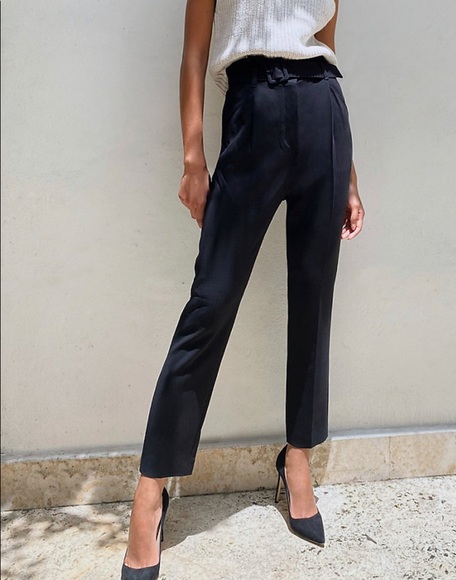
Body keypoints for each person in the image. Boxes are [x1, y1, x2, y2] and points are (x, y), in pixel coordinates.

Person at [121, 0, 364, 577]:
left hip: (324, 113)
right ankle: (150, 490)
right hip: (252, 110)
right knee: (211, 302)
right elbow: (194, 53)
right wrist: (193, 158)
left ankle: (297, 458)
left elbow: (326, 47)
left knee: (315, 300)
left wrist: (349, 174)